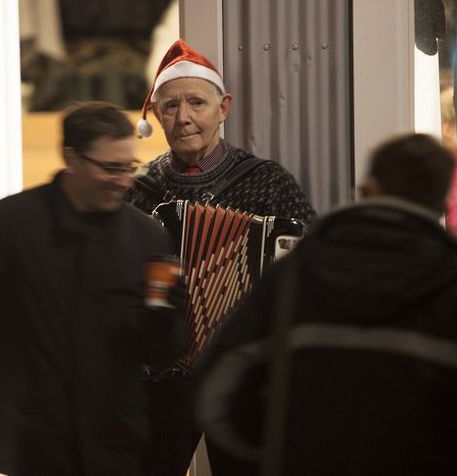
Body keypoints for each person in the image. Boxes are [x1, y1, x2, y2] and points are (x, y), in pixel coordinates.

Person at [197, 133, 457, 474]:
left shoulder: (294, 277)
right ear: (442, 204)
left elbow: (219, 386)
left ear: (371, 188)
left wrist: (267, 455)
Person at [125, 38, 316, 476]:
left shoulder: (267, 182)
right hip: (162, 375)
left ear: (223, 108)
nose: (184, 117)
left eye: (197, 102)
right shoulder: (140, 190)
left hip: (244, 376)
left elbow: (310, 269)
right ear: (155, 115)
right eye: (170, 106)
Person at [0, 101, 185, 475]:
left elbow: (161, 351)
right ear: (70, 157)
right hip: (34, 445)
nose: (123, 180)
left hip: (113, 444)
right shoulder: (12, 223)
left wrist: (167, 313)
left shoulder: (145, 236)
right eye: (110, 168)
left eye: (129, 168)